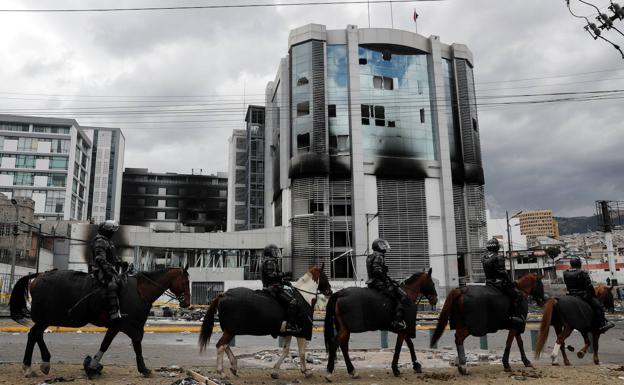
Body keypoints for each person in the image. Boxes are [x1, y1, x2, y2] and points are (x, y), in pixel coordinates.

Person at [366, 238, 410, 332]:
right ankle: (397, 321)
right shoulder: (379, 256)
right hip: (379, 283)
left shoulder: (371, 256)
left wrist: (389, 279)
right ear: (378, 246)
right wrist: (386, 281)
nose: (385, 247)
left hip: (372, 282)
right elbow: (377, 270)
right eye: (383, 245)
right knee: (400, 296)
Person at [481, 237, 525, 327]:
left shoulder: (483, 257)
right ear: (497, 248)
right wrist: (510, 282)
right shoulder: (498, 257)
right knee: (517, 295)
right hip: (499, 283)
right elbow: (502, 272)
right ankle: (513, 317)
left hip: (488, 282)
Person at [564, 256, 614, 333]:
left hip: (571, 294)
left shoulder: (565, 273)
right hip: (582, 295)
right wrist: (593, 295)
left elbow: (567, 285)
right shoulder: (582, 272)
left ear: (571, 264)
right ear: (579, 264)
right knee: (598, 306)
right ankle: (602, 325)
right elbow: (589, 286)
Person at [261, 244, 300, 334]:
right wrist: (285, 274)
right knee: (293, 302)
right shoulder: (269, 262)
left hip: (274, 286)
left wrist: (285, 281)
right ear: (270, 253)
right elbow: (271, 276)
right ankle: (290, 325)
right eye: (275, 251)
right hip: (272, 288)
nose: (277, 253)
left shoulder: (271, 262)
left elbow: (276, 277)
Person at [90, 220, 123, 320]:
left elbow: (112, 258)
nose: (112, 233)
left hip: (109, 269)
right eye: (111, 231)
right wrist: (109, 271)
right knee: (112, 285)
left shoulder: (108, 242)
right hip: (100, 270)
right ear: (105, 231)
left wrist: (121, 263)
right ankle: (113, 312)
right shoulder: (100, 241)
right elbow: (100, 259)